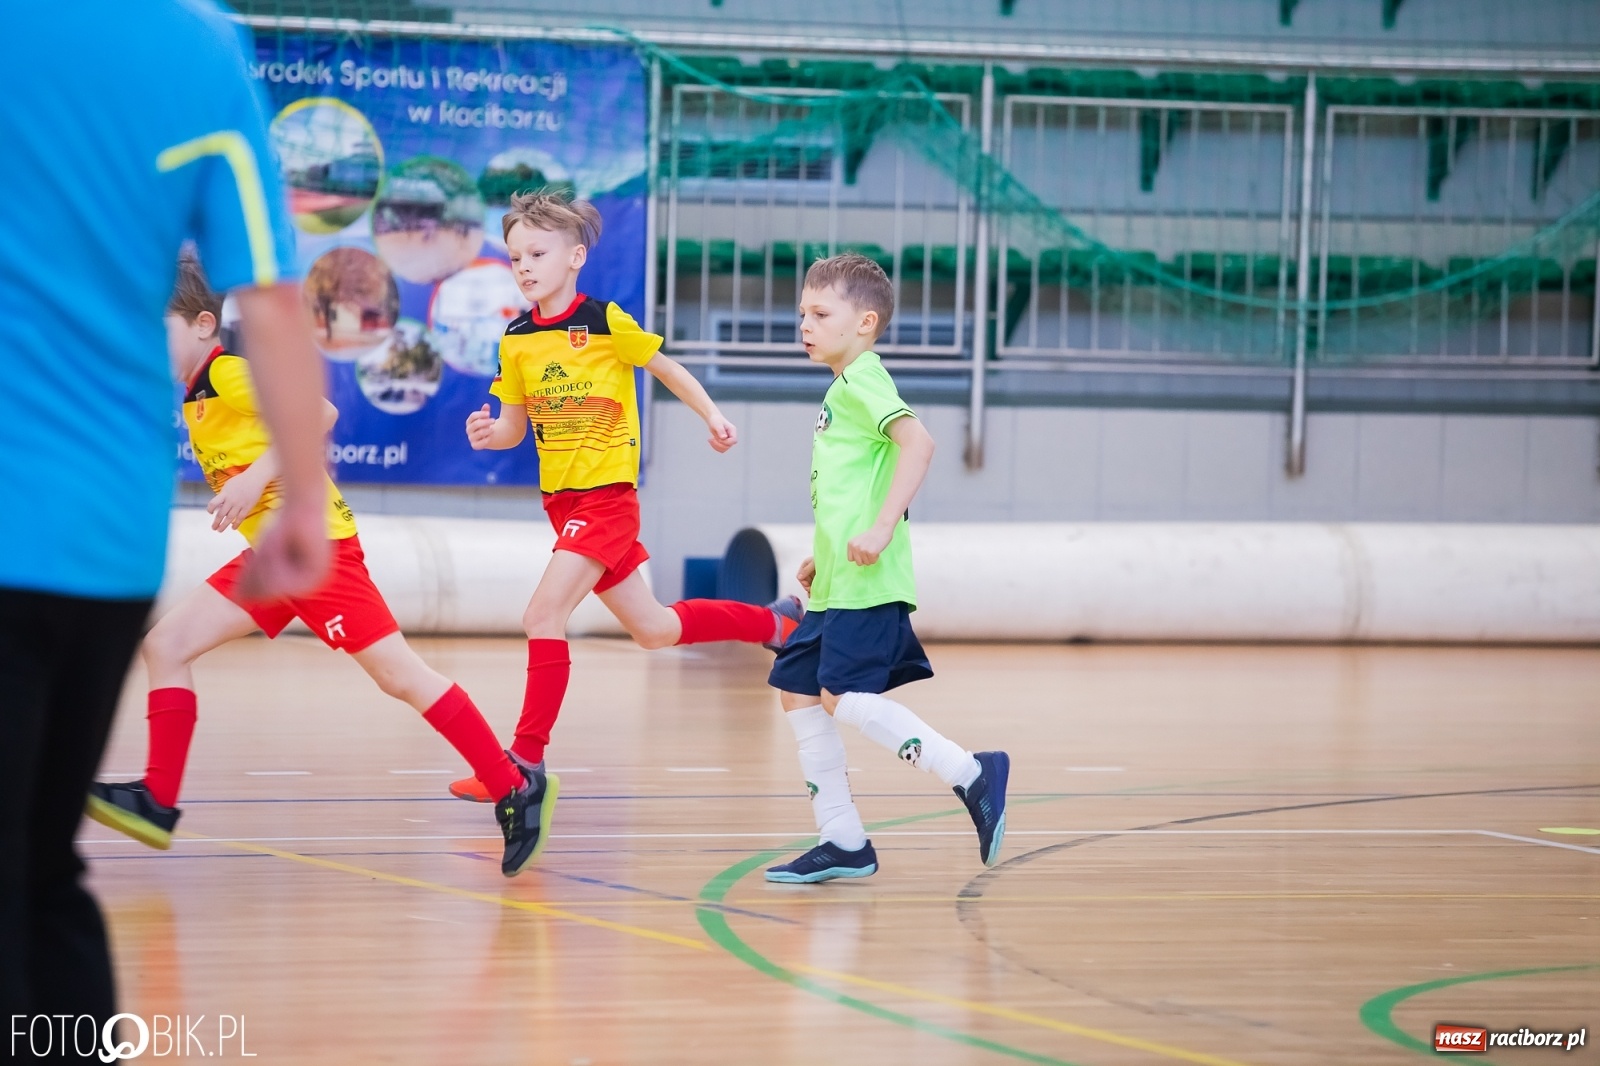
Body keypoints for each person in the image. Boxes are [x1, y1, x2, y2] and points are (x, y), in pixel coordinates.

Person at [0, 2, 331, 1050]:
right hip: (106, 531)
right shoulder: (196, 47)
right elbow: (270, 299)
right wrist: (305, 507)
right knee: (42, 872)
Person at [85, 254, 550, 878]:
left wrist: (252, 479)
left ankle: (511, 786)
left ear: (202, 325)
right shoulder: (197, 395)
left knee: (401, 677)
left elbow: (318, 416)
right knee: (166, 645)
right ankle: (157, 800)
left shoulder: (228, 375)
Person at [452, 189, 801, 804]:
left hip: (606, 501)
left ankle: (521, 768)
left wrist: (712, 416)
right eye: (515, 257)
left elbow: (666, 368)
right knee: (656, 629)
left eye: (538, 252)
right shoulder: (515, 338)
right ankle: (776, 623)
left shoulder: (605, 321)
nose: (525, 266)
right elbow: (513, 425)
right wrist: (489, 435)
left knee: (542, 616)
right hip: (562, 507)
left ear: (576, 256)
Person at [764, 253, 1010, 884]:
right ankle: (843, 841)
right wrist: (827, 551)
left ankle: (970, 772)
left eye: (821, 313)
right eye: (802, 314)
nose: (806, 325)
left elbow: (918, 444)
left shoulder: (863, 377)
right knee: (799, 692)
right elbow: (855, 482)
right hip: (839, 580)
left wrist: (879, 529)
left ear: (866, 322)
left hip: (869, 580)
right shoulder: (843, 385)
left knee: (842, 697)